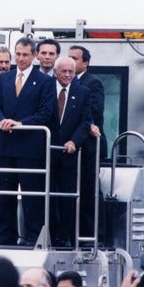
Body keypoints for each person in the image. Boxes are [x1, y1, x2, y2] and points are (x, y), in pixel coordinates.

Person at [0, 37, 56, 246]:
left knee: (31, 197)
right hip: (6, 145)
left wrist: (20, 123)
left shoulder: (45, 81)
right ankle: (5, 237)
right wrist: (1, 120)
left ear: (34, 56)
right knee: (4, 196)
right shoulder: (5, 78)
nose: (20, 58)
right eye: (17, 54)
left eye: (25, 54)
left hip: (30, 147)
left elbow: (46, 113)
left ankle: (32, 238)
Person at [49, 56, 92, 248]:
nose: (67, 75)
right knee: (47, 198)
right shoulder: (45, 88)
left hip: (69, 154)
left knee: (67, 200)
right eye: (63, 71)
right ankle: (48, 236)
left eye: (71, 72)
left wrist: (74, 141)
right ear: (55, 72)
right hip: (46, 152)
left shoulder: (83, 92)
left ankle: (65, 238)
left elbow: (86, 121)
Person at [68, 45, 107, 240]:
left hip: (90, 145)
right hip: (72, 144)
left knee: (89, 189)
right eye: (69, 57)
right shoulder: (64, 82)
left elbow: (95, 111)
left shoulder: (93, 83)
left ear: (85, 63)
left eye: (75, 58)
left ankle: (94, 234)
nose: (71, 61)